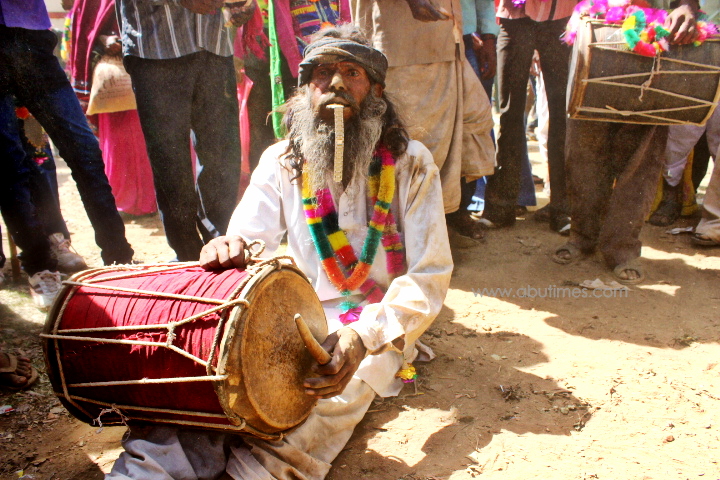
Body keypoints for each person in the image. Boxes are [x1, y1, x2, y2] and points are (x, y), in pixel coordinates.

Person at [106, 26, 452, 479]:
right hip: (292, 311)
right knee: (221, 382)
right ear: (305, 89)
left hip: (374, 324)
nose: (337, 86)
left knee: (317, 402)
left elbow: (429, 276)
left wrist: (362, 338)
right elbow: (249, 238)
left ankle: (256, 472)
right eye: (323, 73)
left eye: (353, 73)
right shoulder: (282, 159)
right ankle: (152, 469)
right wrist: (231, 247)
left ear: (377, 92)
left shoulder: (411, 162)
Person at [554, 0, 701, 284]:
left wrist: (687, 6)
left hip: (654, 40)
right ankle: (582, 235)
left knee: (641, 159)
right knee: (583, 150)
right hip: (595, 33)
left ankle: (622, 248)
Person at [0, 0, 135, 269]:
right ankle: (39, 267)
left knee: (84, 149)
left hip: (33, 39)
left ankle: (119, 258)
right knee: (10, 162)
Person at [352, 0, 496, 240]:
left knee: (460, 131)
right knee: (409, 146)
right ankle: (410, 237)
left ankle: (440, 225)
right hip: (401, 47)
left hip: (446, 41)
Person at [116, 0, 242, 261]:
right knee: (170, 162)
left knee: (223, 156)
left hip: (215, 45)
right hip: (157, 47)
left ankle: (219, 248)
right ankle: (186, 256)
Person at [479, 0, 575, 234]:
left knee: (561, 114)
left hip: (561, 19)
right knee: (510, 114)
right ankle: (502, 207)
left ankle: (562, 209)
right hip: (514, 18)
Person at [67, 0, 157, 217]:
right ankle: (122, 202)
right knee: (119, 139)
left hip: (148, 66)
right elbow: (83, 30)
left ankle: (150, 201)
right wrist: (103, 38)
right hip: (114, 79)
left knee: (149, 137)